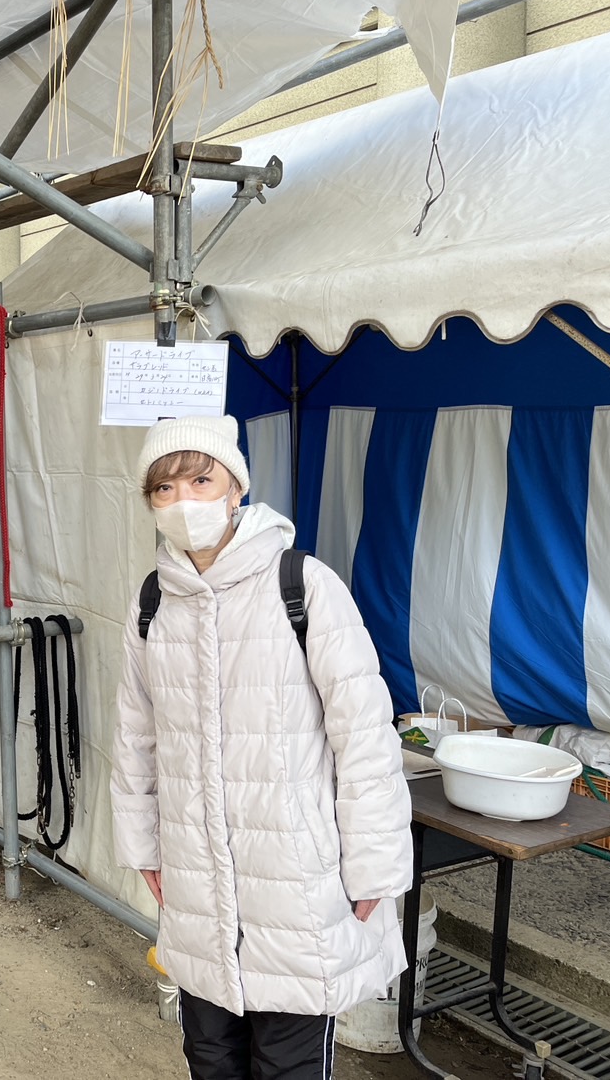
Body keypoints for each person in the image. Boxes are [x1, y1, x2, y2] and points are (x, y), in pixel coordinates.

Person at [111, 415, 412, 1080]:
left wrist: (374, 866)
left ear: (235, 488)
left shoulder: (302, 586)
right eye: (163, 488)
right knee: (210, 1055)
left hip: (295, 875)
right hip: (195, 874)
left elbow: (364, 737)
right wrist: (144, 846)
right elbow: (135, 736)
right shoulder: (153, 601)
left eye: (200, 480)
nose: (183, 501)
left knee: (287, 1063)